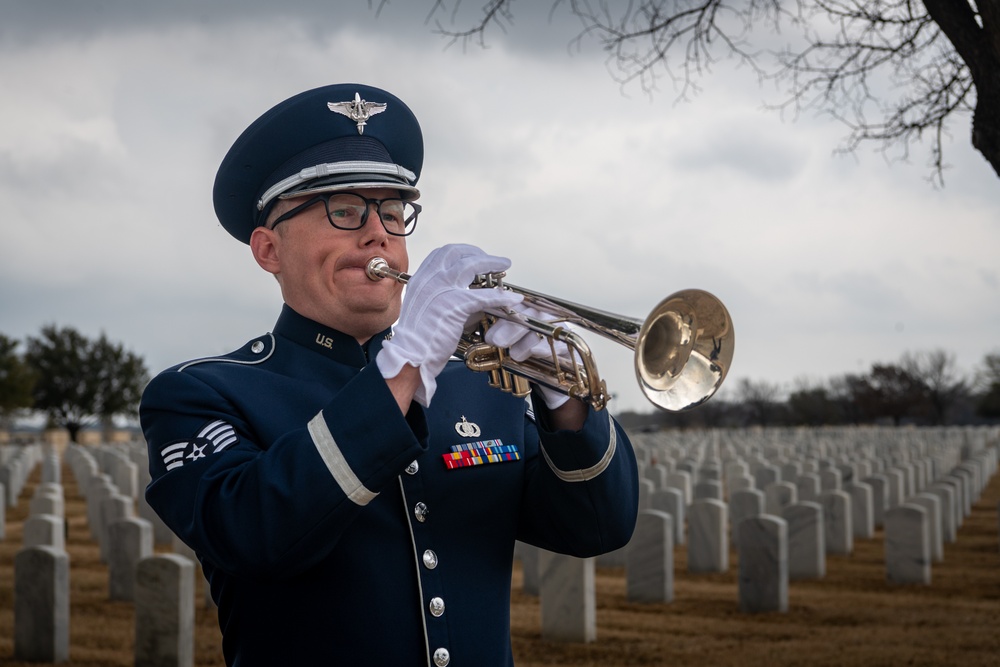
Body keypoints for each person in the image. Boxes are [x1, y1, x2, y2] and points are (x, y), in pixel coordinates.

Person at [140, 83, 639, 667]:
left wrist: (563, 396)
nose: (378, 231)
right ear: (268, 249)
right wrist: (405, 365)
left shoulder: (479, 384)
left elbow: (597, 528)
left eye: (394, 212)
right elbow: (254, 536)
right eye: (344, 210)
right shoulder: (202, 394)